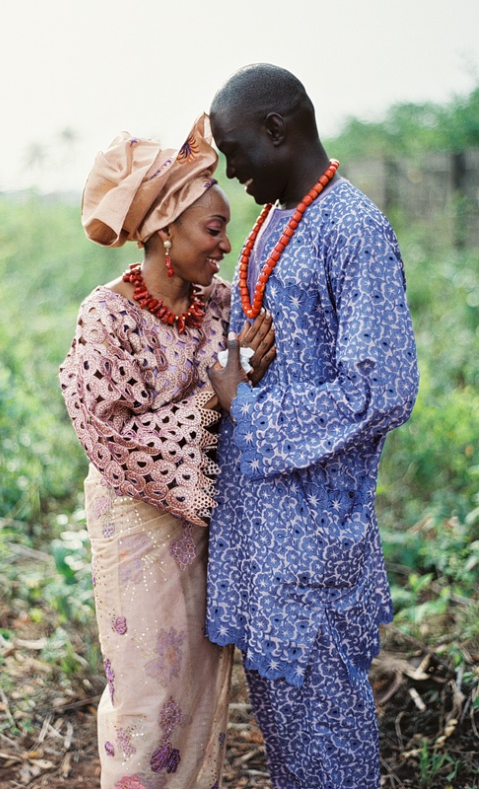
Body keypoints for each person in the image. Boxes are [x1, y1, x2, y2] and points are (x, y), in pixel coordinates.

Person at [205, 64, 419, 789]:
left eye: (235, 152)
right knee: (289, 735)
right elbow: (258, 360)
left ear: (276, 129)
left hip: (316, 536)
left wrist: (250, 409)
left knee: (330, 736)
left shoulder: (353, 229)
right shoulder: (272, 222)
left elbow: (381, 388)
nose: (232, 172)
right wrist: (238, 375)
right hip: (266, 537)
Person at [59, 114, 274, 789]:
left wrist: (240, 380)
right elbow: (113, 439)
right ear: (163, 232)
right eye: (213, 229)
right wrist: (218, 393)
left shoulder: (219, 305)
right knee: (146, 697)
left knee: (200, 692)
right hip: (138, 532)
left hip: (207, 525)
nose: (226, 244)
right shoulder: (107, 316)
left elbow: (246, 387)